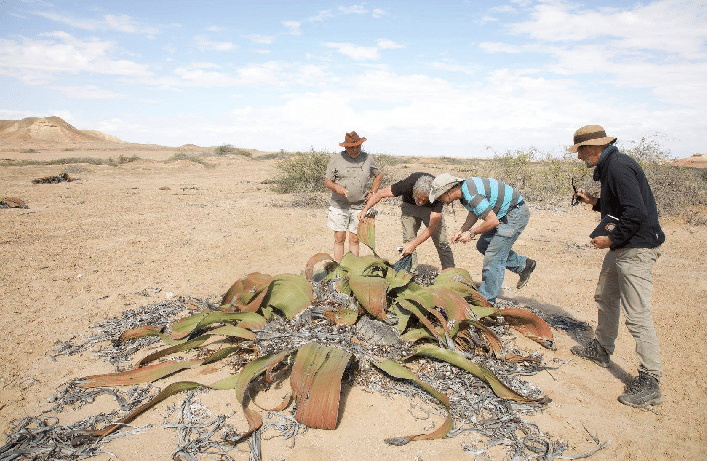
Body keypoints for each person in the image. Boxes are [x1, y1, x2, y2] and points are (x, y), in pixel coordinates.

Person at [568, 124, 665, 408]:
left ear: (593, 148)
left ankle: (651, 380)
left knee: (636, 314)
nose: (579, 158)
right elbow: (619, 208)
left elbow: (636, 212)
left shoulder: (619, 167)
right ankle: (601, 348)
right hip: (624, 245)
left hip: (636, 248)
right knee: (605, 295)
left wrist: (610, 239)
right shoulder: (611, 165)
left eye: (580, 151)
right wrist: (593, 202)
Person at [428, 173, 536, 304]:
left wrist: (472, 233)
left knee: (494, 256)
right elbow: (475, 212)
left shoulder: (472, 195)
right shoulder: (465, 191)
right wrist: (462, 230)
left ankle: (486, 301)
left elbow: (492, 221)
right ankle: (524, 265)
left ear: (449, 190)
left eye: (440, 197)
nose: (441, 201)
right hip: (501, 213)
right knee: (483, 245)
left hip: (513, 214)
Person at [357, 172, 455, 270]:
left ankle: (449, 271)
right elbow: (380, 193)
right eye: (419, 198)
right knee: (408, 240)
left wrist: (414, 244)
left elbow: (433, 227)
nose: (420, 203)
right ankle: (411, 273)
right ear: (413, 191)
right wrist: (365, 210)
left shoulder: (438, 193)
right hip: (409, 207)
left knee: (442, 241)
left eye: (424, 200)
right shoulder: (407, 184)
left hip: (430, 210)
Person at [324, 131, 383, 262]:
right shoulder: (336, 159)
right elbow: (327, 181)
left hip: (360, 206)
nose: (355, 150)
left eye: (358, 146)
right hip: (339, 205)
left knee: (355, 239)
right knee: (339, 238)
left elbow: (378, 175)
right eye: (351, 147)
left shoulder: (367, 158)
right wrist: (336, 187)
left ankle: (353, 268)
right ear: (345, 147)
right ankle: (339, 269)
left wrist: (373, 192)